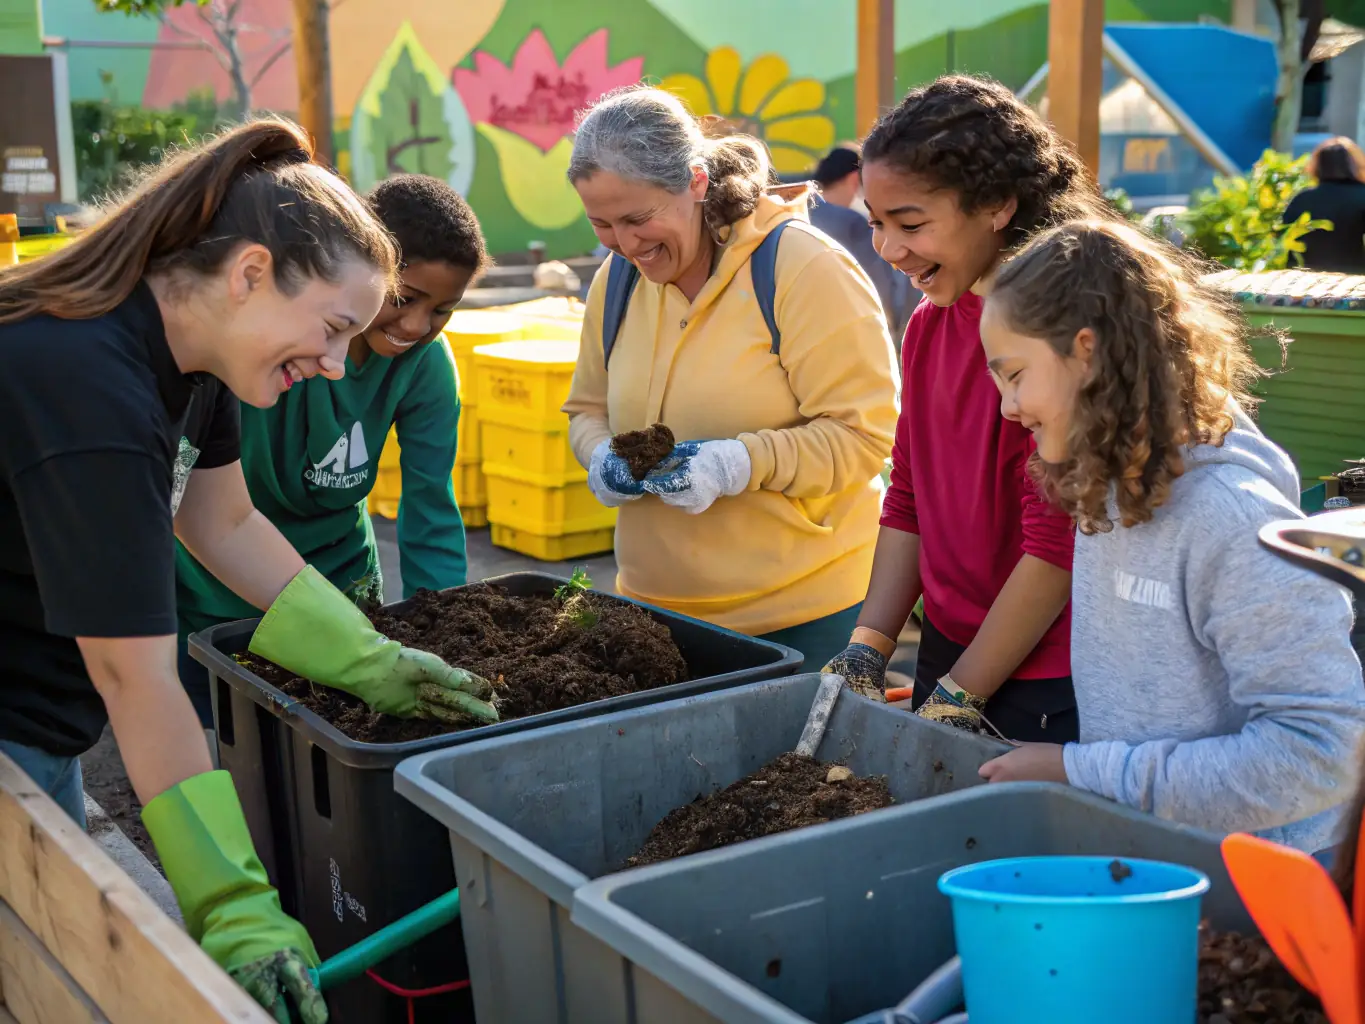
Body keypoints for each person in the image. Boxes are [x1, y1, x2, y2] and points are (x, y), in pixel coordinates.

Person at [0, 118, 498, 1022]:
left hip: (37, 727)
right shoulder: (87, 382)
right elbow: (135, 676)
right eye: (336, 326)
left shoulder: (189, 365)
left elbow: (221, 519)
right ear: (251, 273)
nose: (339, 361)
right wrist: (233, 908)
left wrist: (368, 659)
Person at [974, 219, 1365, 852]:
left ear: (1087, 350)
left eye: (1014, 375)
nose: (1006, 407)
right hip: (1160, 864)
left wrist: (1080, 770)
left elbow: (1323, 754)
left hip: (1259, 890)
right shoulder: (1107, 484)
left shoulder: (1236, 521)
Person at [562, 86, 899, 669]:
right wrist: (600, 458)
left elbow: (864, 438)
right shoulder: (616, 279)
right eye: (603, 224)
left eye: (639, 218)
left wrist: (737, 463)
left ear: (696, 182)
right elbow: (586, 410)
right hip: (654, 615)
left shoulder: (801, 268)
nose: (625, 243)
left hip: (801, 619)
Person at [824, 75, 1113, 743]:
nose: (888, 249)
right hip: (946, 652)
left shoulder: (1058, 338)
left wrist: (964, 691)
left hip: (1041, 673)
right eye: (875, 223)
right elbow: (907, 496)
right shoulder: (930, 324)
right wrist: (868, 645)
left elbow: (1055, 547)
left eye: (910, 224)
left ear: (996, 206)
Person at [175, 173, 488, 729]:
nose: (417, 325)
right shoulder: (275, 352)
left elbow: (430, 508)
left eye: (443, 309)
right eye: (404, 298)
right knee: (220, 743)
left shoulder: (427, 368)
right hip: (215, 587)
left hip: (341, 593)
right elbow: (212, 515)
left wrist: (442, 630)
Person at [808, 145, 913, 341]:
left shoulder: (797, 213)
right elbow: (879, 283)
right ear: (855, 179)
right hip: (852, 331)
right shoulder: (852, 223)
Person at [1283, 136, 1365, 273]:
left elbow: (1283, 243)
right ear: (1355, 164)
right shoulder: (1362, 196)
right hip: (1354, 284)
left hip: (1305, 284)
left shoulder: (1301, 199)